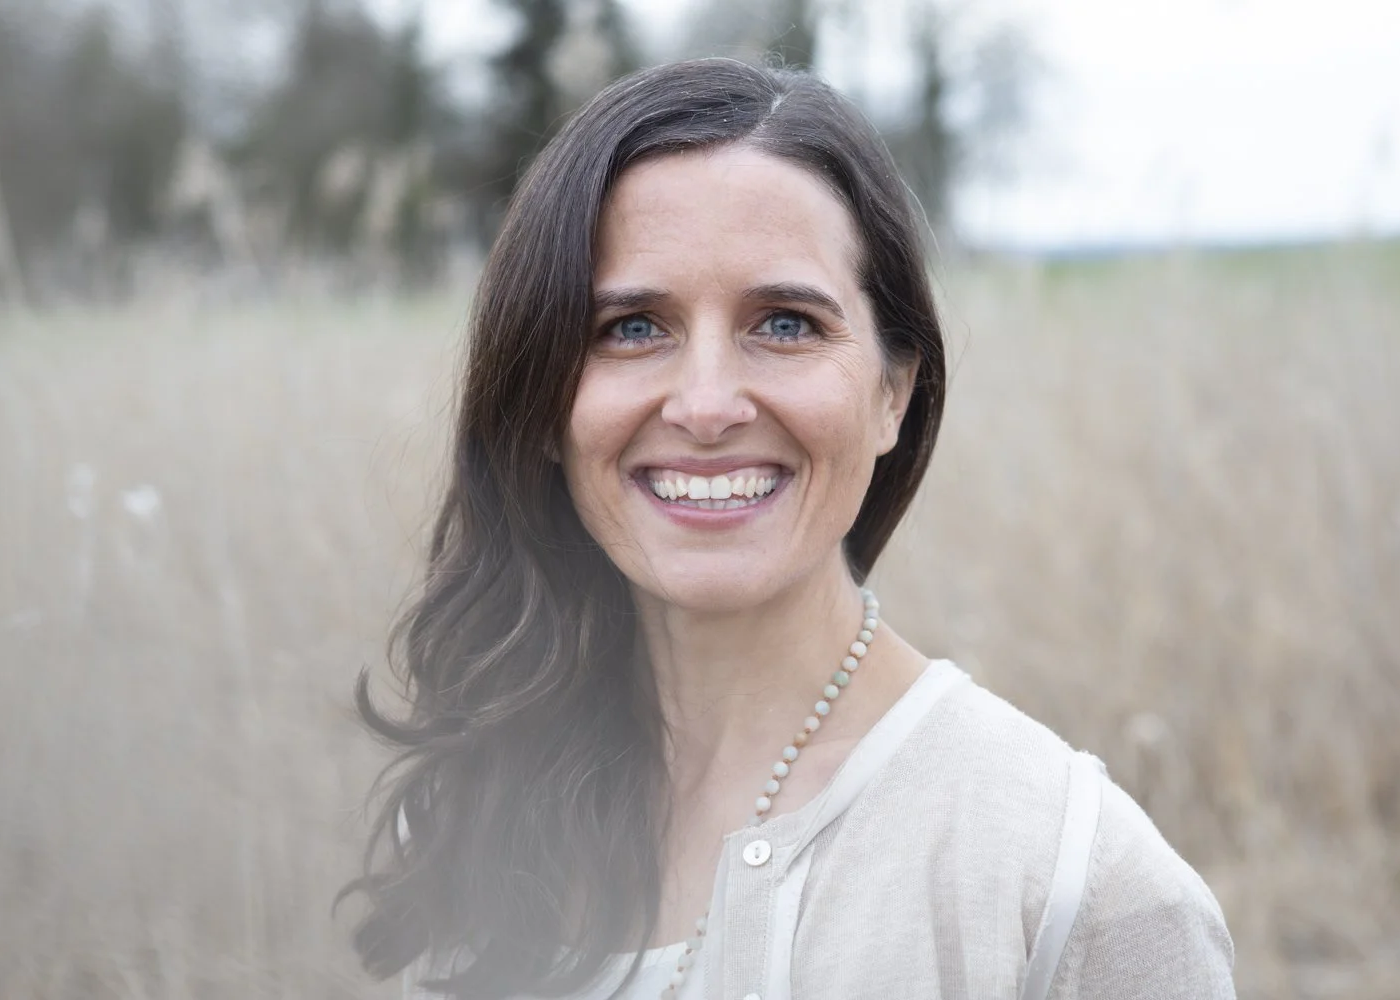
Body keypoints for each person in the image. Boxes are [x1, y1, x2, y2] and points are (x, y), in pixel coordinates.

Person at [343, 58, 1236, 1000]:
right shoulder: (476, 813)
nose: (707, 405)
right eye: (634, 328)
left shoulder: (1077, 890)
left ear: (894, 391)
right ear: (542, 400)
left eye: (784, 323)